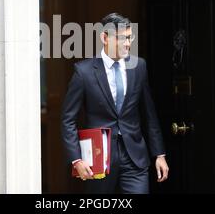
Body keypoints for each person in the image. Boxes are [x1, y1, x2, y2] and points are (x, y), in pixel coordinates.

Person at [61, 13, 169, 194]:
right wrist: (76, 160)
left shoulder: (139, 66)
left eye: (129, 37)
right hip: (97, 158)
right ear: (105, 38)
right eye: (121, 38)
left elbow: (149, 113)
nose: (127, 43)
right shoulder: (83, 72)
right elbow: (68, 119)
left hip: (134, 157)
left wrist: (159, 154)